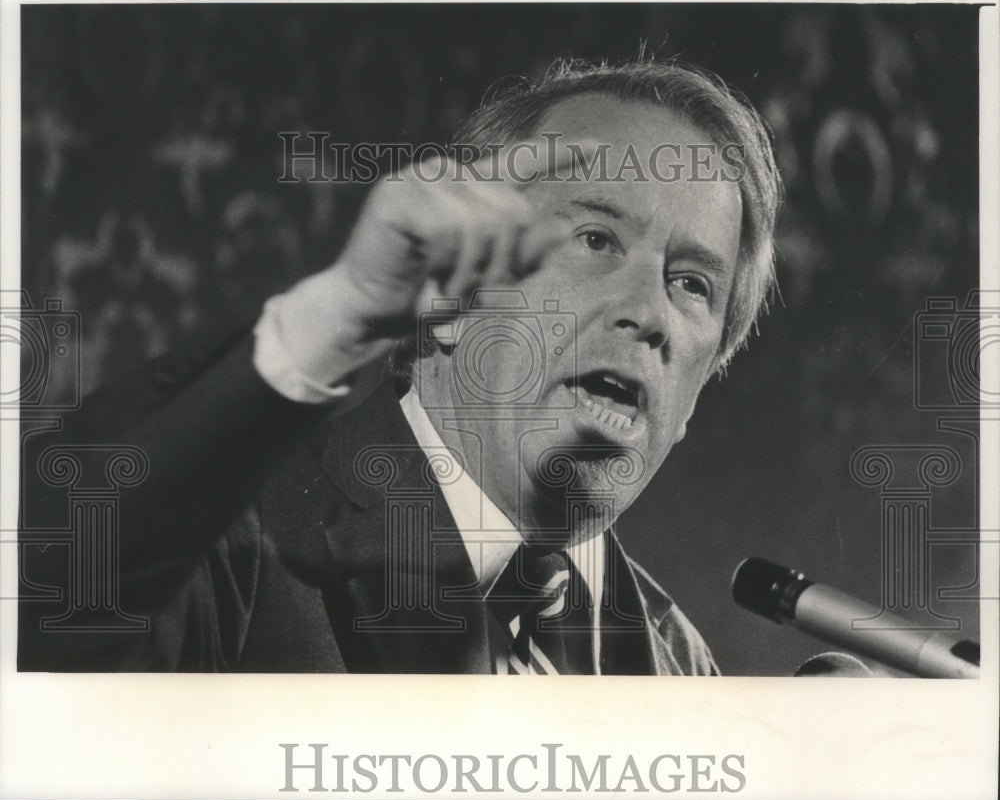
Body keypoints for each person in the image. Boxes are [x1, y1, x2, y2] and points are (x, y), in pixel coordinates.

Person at [18, 57, 781, 673]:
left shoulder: (681, 667)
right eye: (594, 241)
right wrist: (336, 314)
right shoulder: (235, 539)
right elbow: (42, 601)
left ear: (693, 399)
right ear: (451, 295)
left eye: (692, 283)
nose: (648, 313)